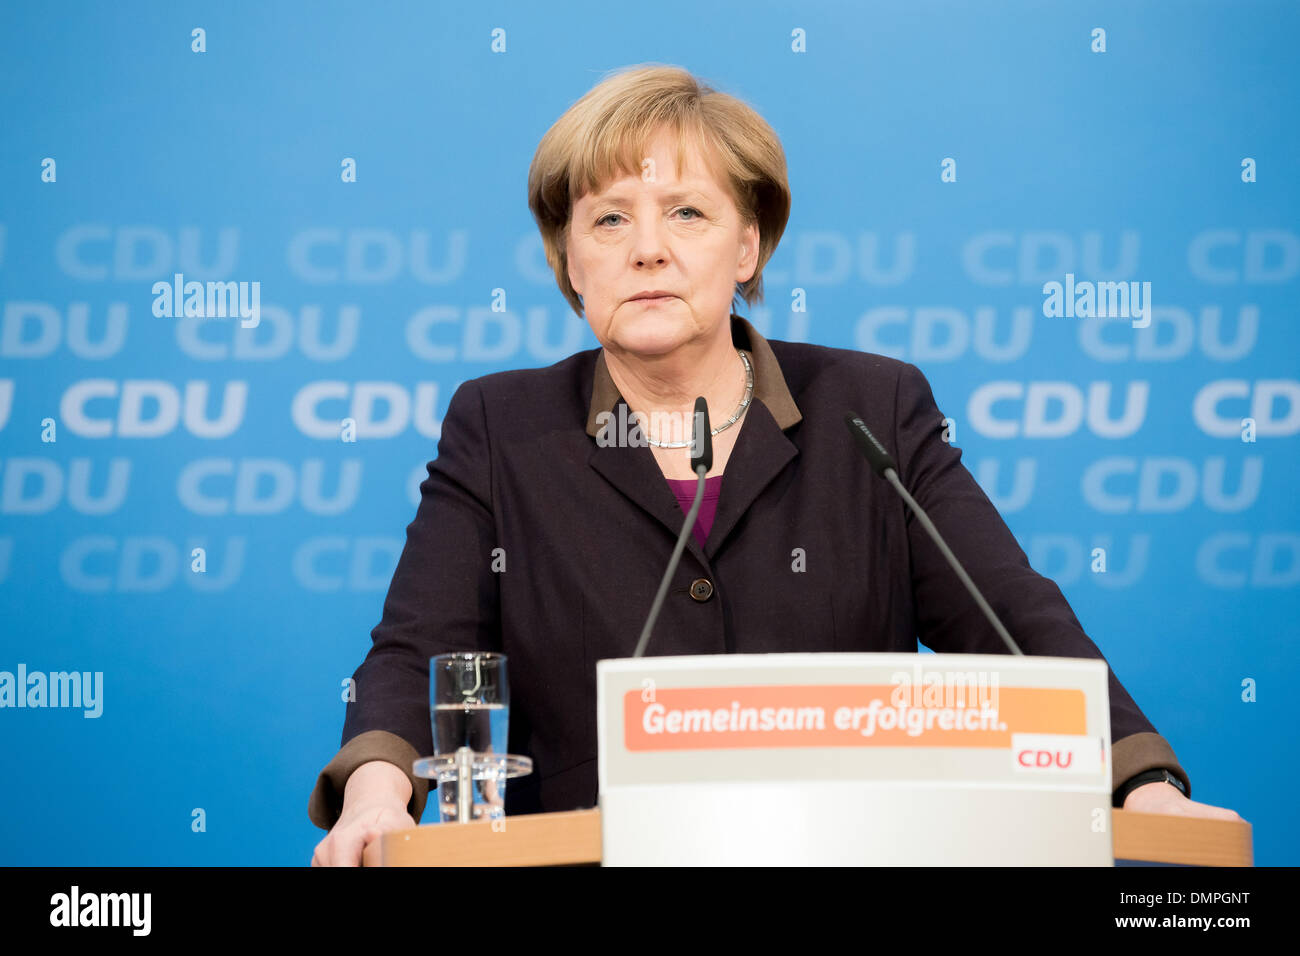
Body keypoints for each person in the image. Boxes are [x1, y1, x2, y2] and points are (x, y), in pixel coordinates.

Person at [310, 64, 1243, 866]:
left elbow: (1013, 618)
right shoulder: (501, 425)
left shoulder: (872, 410)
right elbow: (415, 646)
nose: (648, 249)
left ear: (748, 243)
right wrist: (378, 790)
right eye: (608, 221)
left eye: (687, 211)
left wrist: (1142, 783)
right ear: (570, 261)